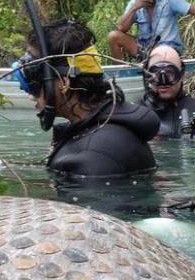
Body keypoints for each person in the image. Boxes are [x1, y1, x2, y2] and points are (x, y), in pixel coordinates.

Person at [16, 18, 159, 177]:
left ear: (64, 82)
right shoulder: (105, 129)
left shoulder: (90, 158)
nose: (30, 95)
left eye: (34, 84)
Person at [141, 45, 195, 139]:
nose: (163, 81)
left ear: (182, 75)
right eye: (156, 73)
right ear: (147, 76)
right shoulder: (136, 115)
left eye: (170, 73)